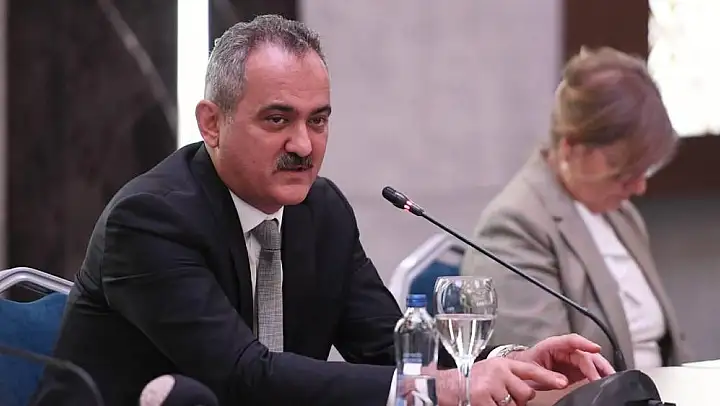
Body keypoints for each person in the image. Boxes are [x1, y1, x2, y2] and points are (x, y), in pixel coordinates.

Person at [33, 16, 613, 406]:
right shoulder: (150, 221)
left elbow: (389, 349)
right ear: (212, 123)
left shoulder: (322, 211)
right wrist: (443, 391)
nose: (303, 145)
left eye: (319, 120)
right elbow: (244, 377)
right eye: (277, 119)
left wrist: (506, 363)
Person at [460, 47, 691, 370]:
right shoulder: (514, 226)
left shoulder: (621, 215)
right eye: (624, 173)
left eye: (645, 171)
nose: (639, 187)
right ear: (571, 148)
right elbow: (544, 373)